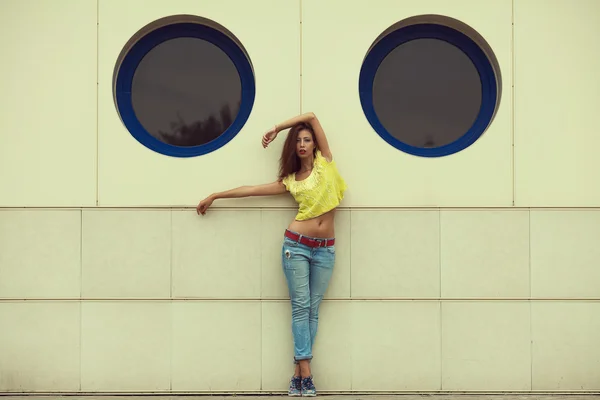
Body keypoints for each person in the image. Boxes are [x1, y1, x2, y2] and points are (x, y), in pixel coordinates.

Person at [196, 112, 347, 397]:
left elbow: (312, 116)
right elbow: (251, 190)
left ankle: (297, 373)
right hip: (297, 246)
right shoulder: (290, 180)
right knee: (301, 308)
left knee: (312, 311)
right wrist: (216, 194)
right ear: (294, 148)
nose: (302, 144)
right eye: (298, 141)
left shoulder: (325, 162)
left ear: (315, 144)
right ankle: (307, 374)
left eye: (306, 139)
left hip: (326, 249)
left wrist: (278, 127)